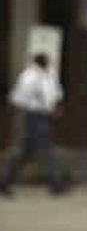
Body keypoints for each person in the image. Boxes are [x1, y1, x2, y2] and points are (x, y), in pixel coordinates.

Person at [0, 52, 70, 196]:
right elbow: (17, 98)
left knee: (25, 152)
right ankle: (56, 183)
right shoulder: (29, 76)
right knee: (45, 149)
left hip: (44, 115)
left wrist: (56, 106)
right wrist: (36, 103)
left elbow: (55, 91)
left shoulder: (49, 74)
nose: (49, 63)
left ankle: (5, 181)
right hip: (34, 116)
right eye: (46, 60)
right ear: (39, 62)